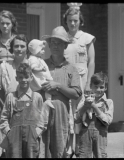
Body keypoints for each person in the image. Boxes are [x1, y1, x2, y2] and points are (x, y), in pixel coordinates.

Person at [39, 26, 82, 158]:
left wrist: (58, 86)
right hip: (41, 114)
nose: (55, 45)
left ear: (65, 45)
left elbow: (76, 94)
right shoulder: (41, 64)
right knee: (41, 150)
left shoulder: (71, 68)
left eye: (58, 43)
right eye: (52, 42)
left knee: (59, 151)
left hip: (61, 115)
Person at [63, 3, 96, 157]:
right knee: (68, 111)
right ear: (66, 21)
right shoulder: (62, 37)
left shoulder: (86, 38)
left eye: (75, 20)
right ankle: (69, 148)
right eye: (70, 20)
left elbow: (91, 61)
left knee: (82, 111)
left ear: (80, 21)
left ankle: (81, 147)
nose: (73, 23)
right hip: (67, 79)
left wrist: (89, 82)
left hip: (82, 80)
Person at [0, 34, 29, 157]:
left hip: (29, 118)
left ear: (27, 48)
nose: (19, 49)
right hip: (10, 118)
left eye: (22, 46)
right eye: (16, 46)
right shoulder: (3, 68)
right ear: (11, 49)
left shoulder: (33, 65)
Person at [0, 62, 48, 158]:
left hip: (32, 137)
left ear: (31, 77)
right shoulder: (11, 96)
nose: (23, 80)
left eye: (26, 77)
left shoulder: (37, 97)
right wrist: (9, 133)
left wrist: (36, 133)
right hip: (14, 138)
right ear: (16, 78)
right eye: (20, 77)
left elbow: (43, 119)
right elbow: (3, 118)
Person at [74, 72, 114, 158]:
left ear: (106, 88)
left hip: (100, 136)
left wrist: (94, 107)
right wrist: (85, 107)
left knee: (100, 155)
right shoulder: (85, 99)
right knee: (84, 155)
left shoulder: (108, 102)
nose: (98, 89)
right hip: (85, 134)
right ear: (91, 86)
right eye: (95, 87)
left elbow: (107, 121)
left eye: (101, 87)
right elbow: (76, 119)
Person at [28, 39, 54, 109]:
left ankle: (48, 100)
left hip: (43, 78)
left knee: (48, 89)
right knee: (46, 90)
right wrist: (41, 69)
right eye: (42, 49)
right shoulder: (32, 59)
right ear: (35, 50)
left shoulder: (39, 58)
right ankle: (47, 101)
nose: (44, 51)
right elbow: (34, 68)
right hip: (39, 80)